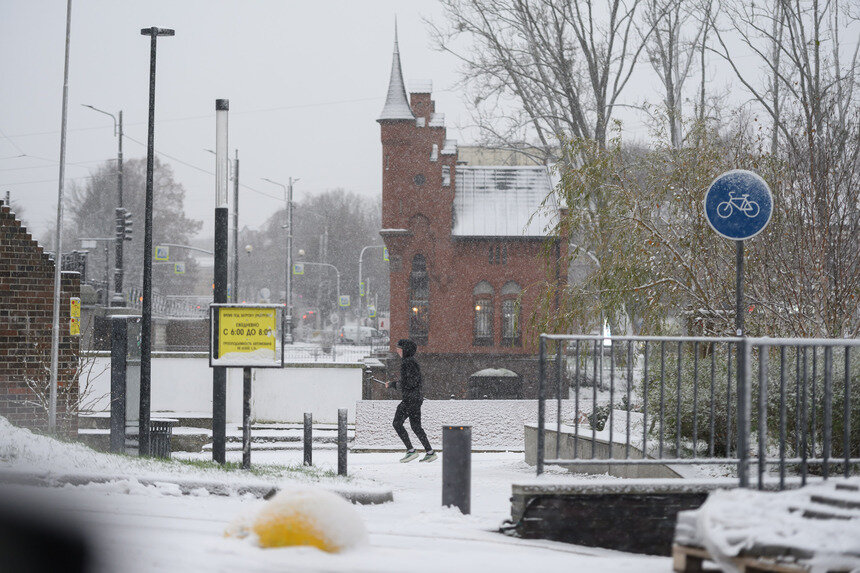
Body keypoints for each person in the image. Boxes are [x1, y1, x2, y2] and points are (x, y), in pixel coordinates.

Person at [386, 339, 436, 462]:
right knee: (416, 426)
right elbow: (411, 381)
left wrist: (393, 384)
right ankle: (430, 452)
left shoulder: (407, 363)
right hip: (416, 398)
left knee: (397, 423)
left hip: (410, 399)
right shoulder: (411, 362)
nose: (397, 350)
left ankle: (411, 451)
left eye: (399, 348)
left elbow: (409, 382)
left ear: (405, 350)